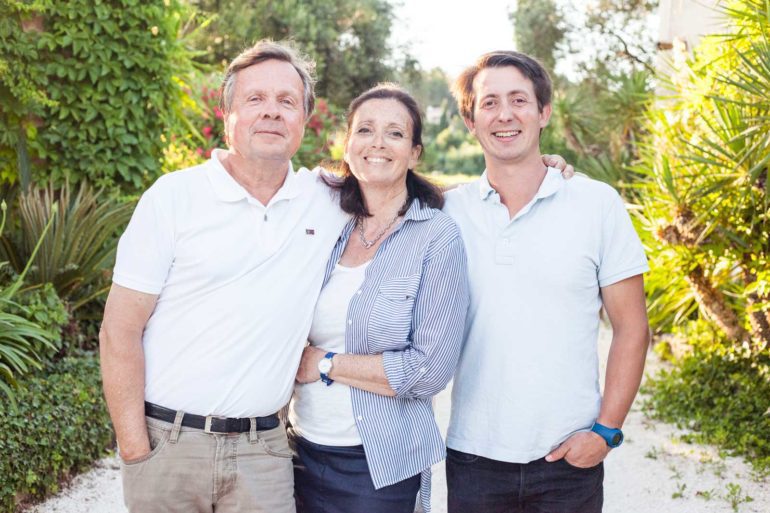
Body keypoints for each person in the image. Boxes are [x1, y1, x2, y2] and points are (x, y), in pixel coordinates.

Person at [99, 41, 350, 513]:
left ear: (304, 119)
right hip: (168, 446)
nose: (271, 113)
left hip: (265, 454)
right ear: (227, 113)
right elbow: (119, 331)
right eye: (255, 99)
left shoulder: (329, 201)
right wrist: (136, 451)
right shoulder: (174, 197)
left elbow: (401, 190)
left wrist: (532, 166)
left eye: (286, 102)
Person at [443, 51, 650, 513]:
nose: (505, 114)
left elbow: (632, 327)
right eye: (489, 103)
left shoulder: (597, 204)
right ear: (470, 121)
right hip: (474, 455)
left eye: (519, 99)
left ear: (544, 112)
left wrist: (606, 431)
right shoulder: (447, 212)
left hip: (569, 460)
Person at [289, 84, 469, 513]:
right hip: (299, 450)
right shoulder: (323, 217)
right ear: (347, 144)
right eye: (365, 130)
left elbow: (428, 370)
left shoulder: (436, 237)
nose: (378, 143)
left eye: (395, 133)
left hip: (377, 465)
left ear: (415, 152)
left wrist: (326, 364)